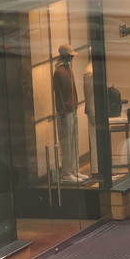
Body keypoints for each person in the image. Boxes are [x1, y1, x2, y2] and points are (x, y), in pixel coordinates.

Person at [49, 46, 83, 179]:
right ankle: (67, 172)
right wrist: (62, 110)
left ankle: (74, 169)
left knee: (73, 142)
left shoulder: (68, 69)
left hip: (72, 109)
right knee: (66, 143)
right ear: (64, 55)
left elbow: (73, 89)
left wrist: (75, 103)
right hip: (65, 112)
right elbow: (58, 94)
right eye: (70, 55)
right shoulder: (59, 72)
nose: (72, 57)